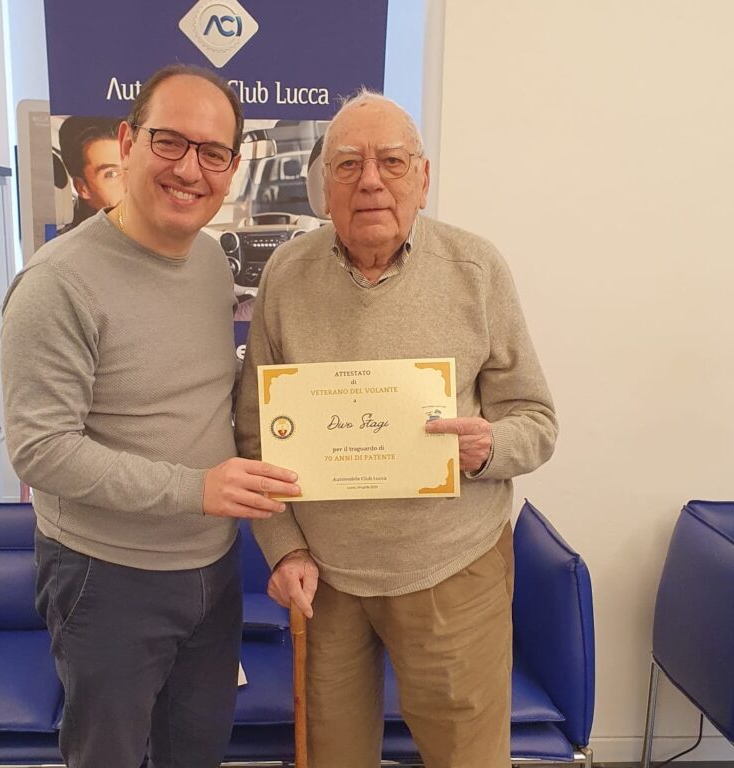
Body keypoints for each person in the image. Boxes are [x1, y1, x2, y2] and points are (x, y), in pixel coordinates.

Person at [235, 91, 558, 768]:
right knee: (331, 757)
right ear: (325, 186)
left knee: (467, 758)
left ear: (423, 178)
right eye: (348, 164)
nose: (371, 181)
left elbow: (537, 421)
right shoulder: (286, 277)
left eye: (392, 161)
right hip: (326, 582)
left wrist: (489, 447)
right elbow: (255, 436)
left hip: (453, 571)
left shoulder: (476, 270)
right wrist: (284, 549)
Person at [1, 64, 300, 768]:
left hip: (213, 568)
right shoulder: (56, 284)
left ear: (232, 168)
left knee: (196, 751)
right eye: (171, 141)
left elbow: (199, 393)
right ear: (129, 141)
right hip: (106, 576)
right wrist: (196, 489)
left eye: (213, 152)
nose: (190, 169)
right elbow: (40, 449)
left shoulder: (209, 262)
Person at [56, 116, 125, 234]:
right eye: (111, 174)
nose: (131, 184)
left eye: (132, 167)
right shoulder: (71, 244)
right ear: (82, 188)